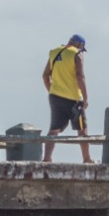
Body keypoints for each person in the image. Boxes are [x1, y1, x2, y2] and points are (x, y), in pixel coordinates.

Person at [41, 34, 92, 164]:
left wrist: (52, 90)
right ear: (80, 45)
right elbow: (80, 77)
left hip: (55, 96)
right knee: (82, 129)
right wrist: (85, 98)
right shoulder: (76, 54)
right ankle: (86, 159)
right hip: (74, 98)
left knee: (54, 129)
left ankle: (47, 158)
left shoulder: (54, 52)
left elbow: (45, 75)